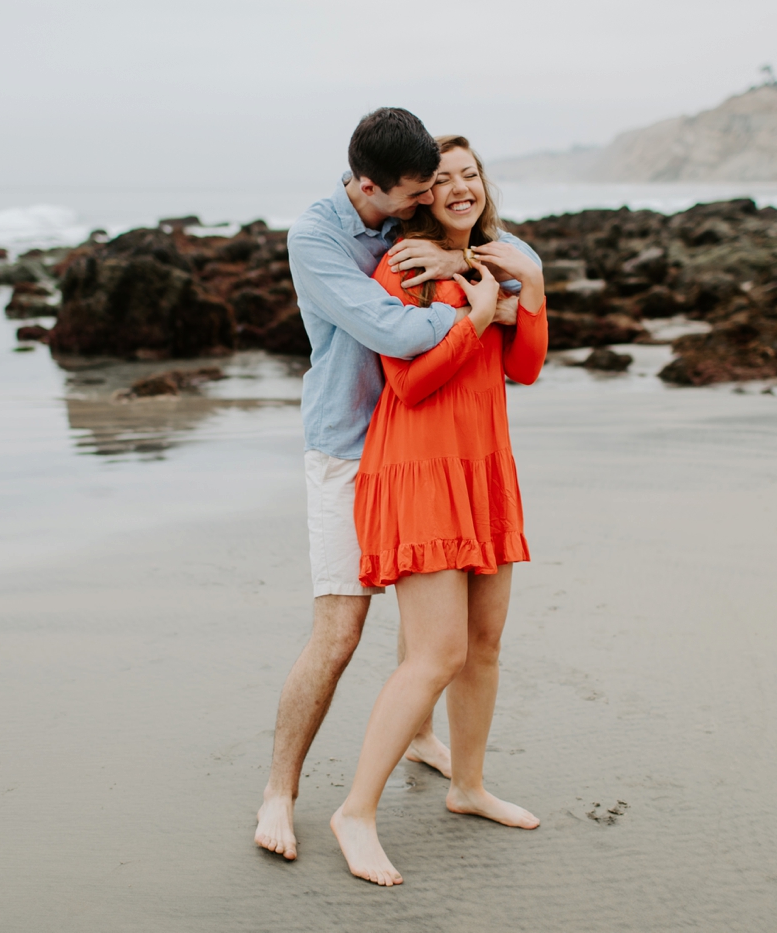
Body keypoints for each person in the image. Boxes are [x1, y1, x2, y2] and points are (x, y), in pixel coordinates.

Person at [255, 110, 541, 861]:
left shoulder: (413, 228)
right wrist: (481, 304)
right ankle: (281, 791)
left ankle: (430, 746)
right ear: (372, 186)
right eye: (421, 188)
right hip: (352, 446)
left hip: (450, 454)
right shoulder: (322, 238)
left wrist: (500, 274)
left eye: (451, 181)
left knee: (455, 638)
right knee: (343, 631)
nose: (434, 197)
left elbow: (523, 351)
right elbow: (398, 338)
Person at [329, 136, 548, 886]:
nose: (460, 187)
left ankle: (468, 785)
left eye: (472, 174)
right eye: (444, 178)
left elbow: (526, 367)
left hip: (482, 466)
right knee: (434, 654)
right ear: (423, 194)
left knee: (483, 644)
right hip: (419, 468)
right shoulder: (406, 266)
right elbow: (409, 384)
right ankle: (355, 810)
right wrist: (480, 317)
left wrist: (530, 292)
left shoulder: (496, 259)